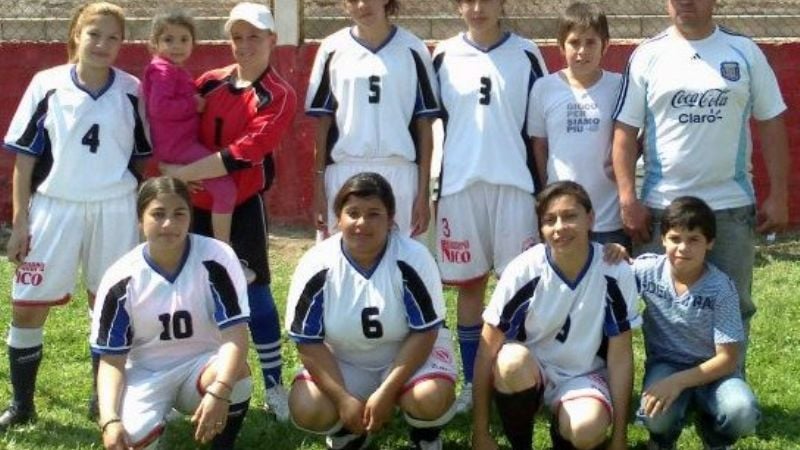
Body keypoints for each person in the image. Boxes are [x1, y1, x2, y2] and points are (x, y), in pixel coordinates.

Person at [0, 1, 151, 430]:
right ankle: (22, 405)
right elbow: (24, 161)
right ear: (76, 35)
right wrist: (20, 223)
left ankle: (102, 398)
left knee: (107, 306)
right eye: (94, 34)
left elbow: (141, 156)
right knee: (27, 307)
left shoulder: (132, 90)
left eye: (113, 37)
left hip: (114, 207)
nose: (102, 44)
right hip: (55, 207)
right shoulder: (46, 84)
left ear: (123, 44)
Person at [611, 0, 789, 353]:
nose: (686, 1)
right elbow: (624, 132)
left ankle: (729, 380)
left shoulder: (744, 51)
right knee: (663, 310)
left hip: (730, 207)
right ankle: (666, 378)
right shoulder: (647, 55)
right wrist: (628, 198)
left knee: (733, 305)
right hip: (662, 208)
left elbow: (771, 122)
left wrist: (779, 194)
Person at [161, 2, 297, 421]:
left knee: (254, 294)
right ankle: (181, 382)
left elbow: (244, 153)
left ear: (272, 40)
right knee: (189, 292)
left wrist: (181, 173)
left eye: (254, 36)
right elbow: (175, 123)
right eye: (237, 37)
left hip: (241, 208)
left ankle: (274, 384)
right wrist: (175, 170)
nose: (244, 45)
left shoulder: (278, 95)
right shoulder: (209, 82)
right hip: (193, 206)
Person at [431, 0, 547, 413]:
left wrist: (545, 186)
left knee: (521, 290)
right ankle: (471, 383)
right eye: (469, 0)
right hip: (459, 186)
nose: (478, 8)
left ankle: (519, 381)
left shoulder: (527, 53)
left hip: (515, 185)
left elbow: (540, 125)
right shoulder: (442, 55)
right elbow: (426, 122)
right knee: (470, 287)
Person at [286, 173, 457, 450]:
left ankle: (424, 434)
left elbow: (425, 333)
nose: (362, 223)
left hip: (410, 356)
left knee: (429, 397)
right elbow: (307, 341)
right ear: (338, 219)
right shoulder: (316, 264)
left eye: (374, 214)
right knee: (307, 406)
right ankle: (349, 431)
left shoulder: (413, 257)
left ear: (390, 220)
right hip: (346, 359)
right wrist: (342, 399)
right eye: (353, 213)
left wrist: (387, 391)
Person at [471, 181, 639, 450]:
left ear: (590, 219)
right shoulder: (524, 270)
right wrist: (480, 432)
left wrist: (619, 438)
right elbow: (486, 349)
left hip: (583, 375)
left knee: (586, 429)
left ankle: (564, 433)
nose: (559, 227)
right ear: (541, 228)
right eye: (550, 220)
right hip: (531, 372)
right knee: (510, 362)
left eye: (570, 216)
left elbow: (620, 357)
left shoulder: (614, 271)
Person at [91, 177, 252, 450]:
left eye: (179, 214)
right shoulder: (120, 278)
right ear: (140, 221)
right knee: (131, 440)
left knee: (237, 376)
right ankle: (156, 419)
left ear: (190, 218)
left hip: (201, 365)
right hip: (145, 373)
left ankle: (222, 445)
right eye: (158, 214)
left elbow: (235, 334)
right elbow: (111, 361)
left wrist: (221, 388)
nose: (169, 224)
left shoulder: (216, 257)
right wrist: (109, 420)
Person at [630, 196, 759, 450]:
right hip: (666, 363)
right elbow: (612, 273)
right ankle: (662, 440)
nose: (683, 248)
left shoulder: (721, 288)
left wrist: (677, 382)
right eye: (675, 238)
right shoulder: (647, 271)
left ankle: (714, 435)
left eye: (694, 239)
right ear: (662, 239)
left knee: (742, 413)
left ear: (710, 243)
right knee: (655, 415)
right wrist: (614, 252)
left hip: (714, 370)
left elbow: (728, 359)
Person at [141, 9, 256, 282]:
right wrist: (193, 104)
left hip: (181, 145)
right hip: (177, 148)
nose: (177, 46)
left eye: (184, 39)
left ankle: (184, 258)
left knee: (181, 200)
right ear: (154, 44)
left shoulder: (172, 70)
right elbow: (159, 108)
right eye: (168, 40)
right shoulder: (162, 70)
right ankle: (226, 258)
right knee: (225, 189)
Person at [306, 0, 438, 238]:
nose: (361, 5)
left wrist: (423, 192)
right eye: (352, 0)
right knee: (341, 255)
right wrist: (318, 188)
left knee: (403, 256)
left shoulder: (413, 49)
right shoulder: (332, 48)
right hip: (344, 171)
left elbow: (424, 126)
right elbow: (323, 125)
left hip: (400, 172)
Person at [531, 2, 628, 249]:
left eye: (591, 42)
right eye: (574, 42)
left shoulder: (620, 86)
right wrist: (548, 189)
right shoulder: (544, 88)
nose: (582, 51)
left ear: (606, 45)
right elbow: (540, 146)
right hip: (561, 217)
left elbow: (632, 137)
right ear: (560, 47)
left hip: (608, 217)